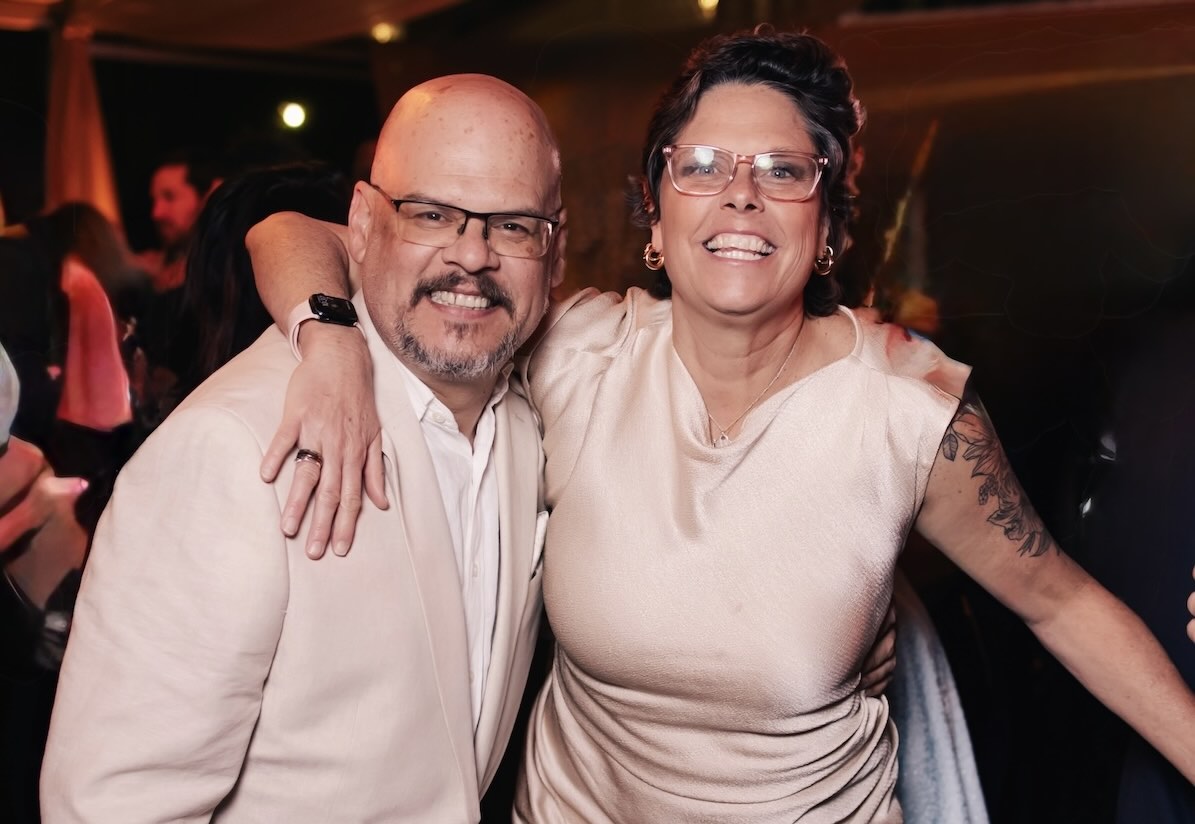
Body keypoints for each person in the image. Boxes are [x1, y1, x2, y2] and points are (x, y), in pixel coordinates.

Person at [246, 26, 1195, 821]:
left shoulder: (907, 409)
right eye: (701, 165)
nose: (741, 192)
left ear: (827, 228)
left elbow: (1061, 604)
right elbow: (293, 232)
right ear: (654, 217)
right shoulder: (576, 353)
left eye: (783, 169)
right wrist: (331, 344)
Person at [40, 76, 561, 822]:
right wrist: (328, 336)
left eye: (513, 225)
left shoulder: (528, 414)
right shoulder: (230, 449)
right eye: (432, 214)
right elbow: (112, 804)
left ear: (555, 246)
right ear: (361, 222)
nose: (471, 256)